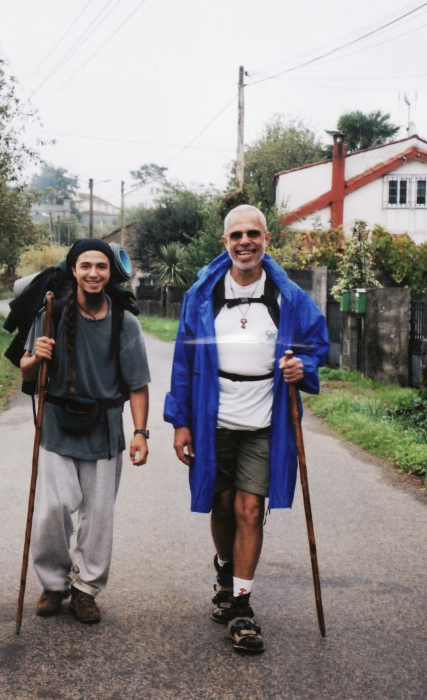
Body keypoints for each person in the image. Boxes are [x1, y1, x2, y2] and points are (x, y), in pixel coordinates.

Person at [163, 205, 328, 653]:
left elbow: (316, 344)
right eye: (236, 234)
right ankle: (223, 568)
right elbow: (183, 360)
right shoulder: (202, 294)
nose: (245, 242)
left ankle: (241, 607)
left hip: (263, 420)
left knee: (250, 508)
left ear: (267, 239)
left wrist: (302, 368)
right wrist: (180, 421)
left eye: (253, 233)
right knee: (221, 504)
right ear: (225, 242)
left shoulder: (288, 296)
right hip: (211, 417)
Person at [20, 238, 151, 624]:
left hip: (105, 426)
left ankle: (85, 589)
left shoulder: (124, 322)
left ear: (111, 273)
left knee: (98, 516)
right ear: (73, 270)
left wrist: (141, 432)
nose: (94, 273)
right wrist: (36, 357)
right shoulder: (49, 313)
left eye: (101, 267)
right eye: (86, 266)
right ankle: (54, 584)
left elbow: (138, 385)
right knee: (53, 509)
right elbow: (27, 369)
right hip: (57, 423)